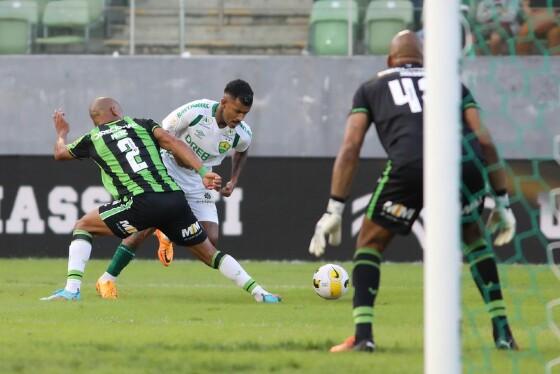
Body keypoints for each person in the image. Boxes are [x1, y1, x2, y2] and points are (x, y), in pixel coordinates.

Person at [308, 30, 518, 352]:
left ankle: (363, 337)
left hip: (411, 165)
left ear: (390, 60)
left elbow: (351, 146)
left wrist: (334, 208)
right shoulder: (452, 84)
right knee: (475, 240)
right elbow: (486, 140)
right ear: (423, 60)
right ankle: (503, 334)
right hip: (464, 164)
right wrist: (502, 202)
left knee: (369, 242)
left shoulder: (372, 88)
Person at [41, 97, 280, 304]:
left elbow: (59, 154)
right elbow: (173, 143)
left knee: (83, 226)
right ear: (115, 111)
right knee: (211, 253)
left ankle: (72, 291)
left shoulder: (92, 138)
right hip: (174, 197)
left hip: (140, 202)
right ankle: (260, 292)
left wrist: (61, 133)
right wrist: (202, 172)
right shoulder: (142, 123)